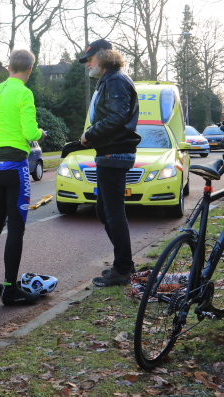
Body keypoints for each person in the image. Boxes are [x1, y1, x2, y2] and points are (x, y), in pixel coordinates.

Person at [0, 49, 46, 306]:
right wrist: (40, 132)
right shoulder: (24, 93)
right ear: (30, 70)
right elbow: (28, 130)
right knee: (16, 227)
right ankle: (11, 290)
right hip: (15, 166)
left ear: (9, 66)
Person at [78, 39, 141, 288]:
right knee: (105, 211)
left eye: (90, 59)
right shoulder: (111, 79)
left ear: (103, 57)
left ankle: (124, 269)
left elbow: (117, 117)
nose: (88, 65)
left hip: (114, 153)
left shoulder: (115, 81)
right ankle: (123, 265)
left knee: (112, 213)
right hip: (110, 152)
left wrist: (90, 134)